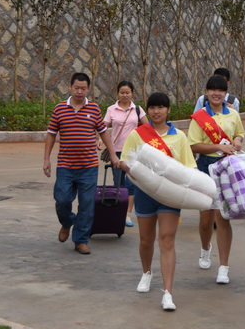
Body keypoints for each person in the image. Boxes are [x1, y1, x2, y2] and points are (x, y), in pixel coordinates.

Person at [112, 92, 196, 311]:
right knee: (146, 240)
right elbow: (125, 161)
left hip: (170, 195)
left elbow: (189, 167)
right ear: (147, 110)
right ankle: (146, 272)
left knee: (167, 239)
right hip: (144, 193)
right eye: (152, 108)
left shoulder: (179, 137)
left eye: (160, 107)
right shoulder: (138, 134)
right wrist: (132, 168)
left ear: (168, 110)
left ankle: (168, 293)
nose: (156, 111)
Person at [42, 73, 112, 255]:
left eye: (83, 88)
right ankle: (67, 222)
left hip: (89, 167)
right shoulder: (59, 109)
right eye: (76, 88)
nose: (80, 91)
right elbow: (51, 134)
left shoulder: (94, 109)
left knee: (87, 205)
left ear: (88, 89)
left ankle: (80, 240)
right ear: (70, 87)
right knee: (62, 200)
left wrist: (113, 155)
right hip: (65, 166)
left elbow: (104, 133)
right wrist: (46, 159)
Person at [188, 74, 245, 284]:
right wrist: (218, 146)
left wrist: (237, 141)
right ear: (207, 92)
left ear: (225, 93)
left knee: (223, 217)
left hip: (227, 167)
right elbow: (193, 145)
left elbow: (239, 133)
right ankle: (205, 249)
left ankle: (224, 267)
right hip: (205, 166)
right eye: (212, 89)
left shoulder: (233, 114)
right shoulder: (199, 117)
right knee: (206, 220)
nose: (216, 93)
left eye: (220, 90)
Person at [102, 80, 148, 227]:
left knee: (131, 183)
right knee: (118, 183)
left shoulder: (137, 110)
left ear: (132, 93)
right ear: (117, 93)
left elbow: (148, 127)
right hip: (116, 151)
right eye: (122, 92)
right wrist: (99, 140)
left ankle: (127, 214)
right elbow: (103, 127)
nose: (125, 95)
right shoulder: (111, 109)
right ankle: (119, 211)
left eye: (128, 92)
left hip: (133, 152)